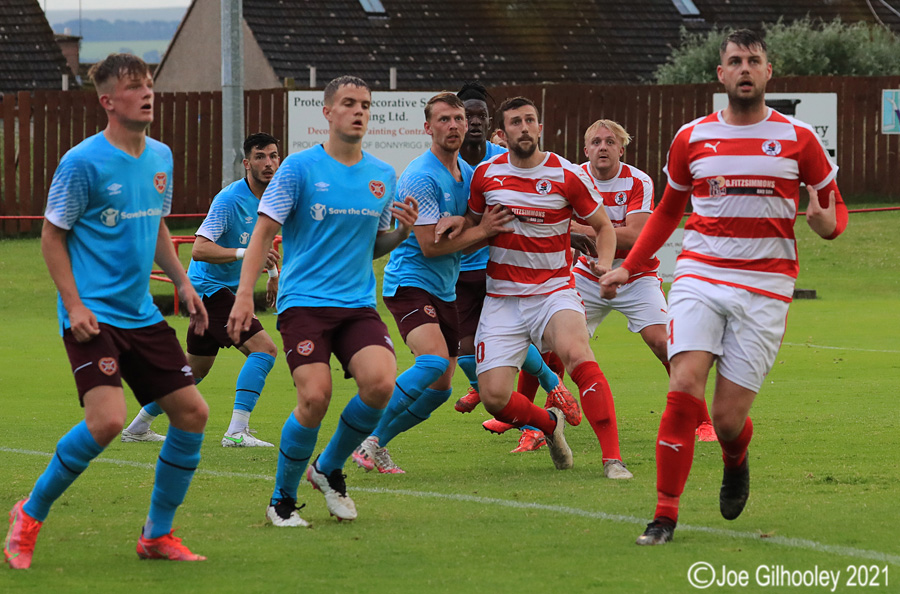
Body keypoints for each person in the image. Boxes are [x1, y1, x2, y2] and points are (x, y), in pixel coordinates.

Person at [599, 29, 848, 545]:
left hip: (766, 286)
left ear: (767, 72)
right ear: (721, 74)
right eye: (735, 61)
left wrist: (828, 224)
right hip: (700, 274)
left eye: (753, 60)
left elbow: (832, 208)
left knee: (727, 419)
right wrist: (631, 264)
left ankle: (736, 458)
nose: (744, 68)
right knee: (683, 381)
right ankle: (664, 516)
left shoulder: (800, 139)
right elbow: (669, 210)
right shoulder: (692, 137)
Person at [4, 54, 210, 569]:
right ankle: (28, 515)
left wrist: (183, 283)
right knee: (107, 421)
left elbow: (157, 227)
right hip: (92, 314)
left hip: (140, 313)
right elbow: (52, 237)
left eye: (149, 85)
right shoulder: (82, 162)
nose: (147, 94)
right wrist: (73, 305)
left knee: (192, 414)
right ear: (107, 101)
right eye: (134, 87)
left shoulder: (159, 155)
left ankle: (156, 536)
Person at [226, 75, 418, 527]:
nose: (359, 111)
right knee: (315, 397)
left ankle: (328, 468)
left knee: (381, 384)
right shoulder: (298, 169)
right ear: (327, 112)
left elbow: (368, 245)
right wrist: (243, 297)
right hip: (305, 302)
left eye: (366, 105)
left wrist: (403, 233)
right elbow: (263, 235)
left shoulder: (381, 175)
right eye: (349, 103)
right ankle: (282, 500)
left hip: (356, 304)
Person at [438, 96, 622, 472]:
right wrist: (457, 225)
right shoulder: (487, 175)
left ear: (540, 127)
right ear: (502, 133)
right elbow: (474, 223)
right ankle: (548, 424)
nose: (524, 127)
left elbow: (604, 227)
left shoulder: (567, 174)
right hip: (503, 297)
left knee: (577, 354)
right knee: (494, 398)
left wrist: (604, 264)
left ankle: (612, 460)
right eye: (515, 123)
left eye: (530, 120)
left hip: (553, 290)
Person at [351, 93, 516, 473]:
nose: (455, 125)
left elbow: (488, 219)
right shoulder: (421, 176)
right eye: (444, 119)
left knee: (441, 390)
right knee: (432, 362)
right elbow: (428, 246)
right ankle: (362, 435)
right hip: (410, 282)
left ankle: (378, 444)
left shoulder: (470, 175)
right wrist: (482, 230)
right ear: (428, 128)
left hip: (445, 289)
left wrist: (567, 235)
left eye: (459, 118)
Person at [121, 133, 283, 448]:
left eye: (274, 156)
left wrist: (273, 273)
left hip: (222, 290)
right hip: (208, 289)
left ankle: (138, 427)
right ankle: (237, 432)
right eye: (261, 157)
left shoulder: (277, 199)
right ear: (247, 164)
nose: (269, 163)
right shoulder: (230, 199)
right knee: (264, 349)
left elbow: (265, 244)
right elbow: (199, 250)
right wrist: (247, 255)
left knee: (193, 371)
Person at [573, 119, 717, 445]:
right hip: (587, 274)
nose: (603, 147)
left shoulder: (638, 180)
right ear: (586, 150)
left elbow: (637, 236)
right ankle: (534, 425)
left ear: (621, 149)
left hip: (636, 275)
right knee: (553, 341)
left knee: (665, 343)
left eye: (610, 141)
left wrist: (580, 231)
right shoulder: (575, 177)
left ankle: (702, 419)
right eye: (595, 142)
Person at [452, 82, 576, 455]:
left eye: (478, 116)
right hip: (458, 269)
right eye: (464, 116)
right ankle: (495, 388)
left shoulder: (500, 155)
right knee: (461, 351)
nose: (472, 122)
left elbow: (542, 204)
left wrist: (577, 232)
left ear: (491, 123)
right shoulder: (445, 160)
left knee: (509, 339)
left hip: (498, 270)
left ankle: (551, 387)